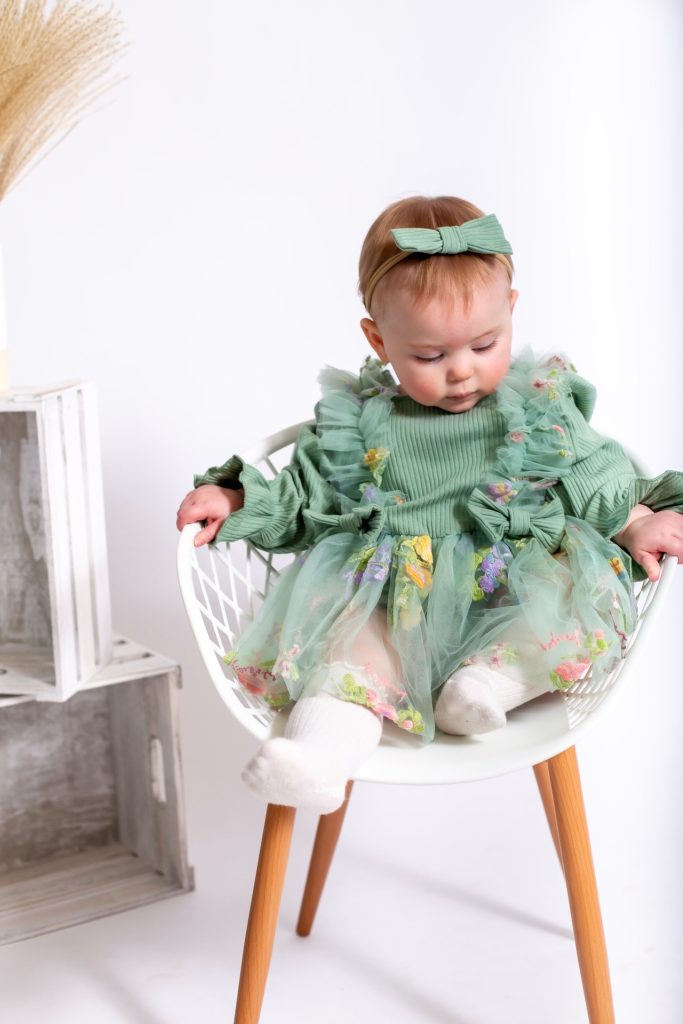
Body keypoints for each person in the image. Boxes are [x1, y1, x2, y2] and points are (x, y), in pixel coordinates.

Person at [176, 195, 683, 815]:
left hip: (510, 594)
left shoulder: (537, 407)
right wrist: (235, 498)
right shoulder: (359, 423)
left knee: (565, 610)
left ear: (512, 311)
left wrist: (636, 522)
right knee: (348, 655)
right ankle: (315, 759)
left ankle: (485, 686)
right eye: (429, 356)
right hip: (395, 605)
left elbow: (592, 476)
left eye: (484, 344)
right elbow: (305, 497)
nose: (461, 371)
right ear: (379, 339)